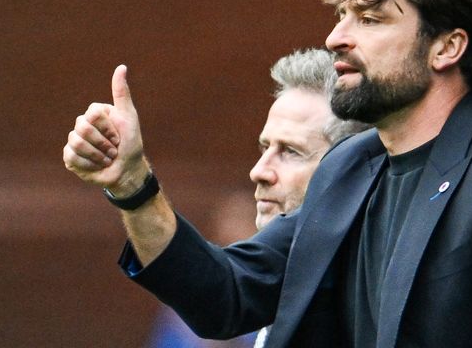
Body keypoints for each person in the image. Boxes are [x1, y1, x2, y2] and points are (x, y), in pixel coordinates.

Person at [63, 0, 472, 347]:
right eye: (342, 15)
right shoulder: (349, 167)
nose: (336, 37)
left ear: (447, 47)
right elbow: (223, 296)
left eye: (370, 19)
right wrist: (133, 184)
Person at [145, 48, 368, 348]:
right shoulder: (282, 274)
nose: (259, 171)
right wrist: (131, 185)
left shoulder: (368, 293)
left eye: (291, 152)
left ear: (348, 167)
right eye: (265, 149)